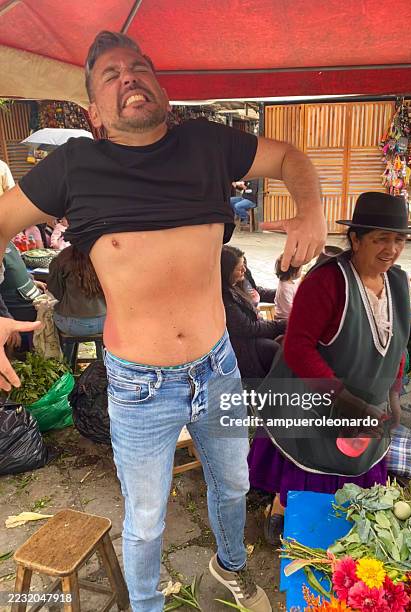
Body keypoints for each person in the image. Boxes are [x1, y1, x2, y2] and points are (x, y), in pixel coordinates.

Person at [0, 30, 325, 612]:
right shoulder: (74, 166)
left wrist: (311, 209)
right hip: (139, 386)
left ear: (161, 88)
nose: (129, 76)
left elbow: (291, 158)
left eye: (139, 65)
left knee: (232, 486)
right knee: (146, 521)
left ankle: (229, 570)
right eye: (110, 74)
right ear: (94, 111)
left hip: (218, 367)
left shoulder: (205, 145)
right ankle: (146, 605)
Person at [248, 192, 411, 545]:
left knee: (357, 461)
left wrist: (393, 394)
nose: (391, 249)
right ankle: (284, 507)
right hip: (317, 398)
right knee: (309, 461)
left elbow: (398, 343)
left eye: (399, 239)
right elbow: (297, 347)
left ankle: (344, 517)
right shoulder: (327, 283)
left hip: (369, 401)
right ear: (355, 239)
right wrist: (345, 402)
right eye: (380, 239)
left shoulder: (398, 284)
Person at [221, 246, 286, 379]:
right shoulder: (225, 297)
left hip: (258, 324)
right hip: (244, 342)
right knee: (274, 350)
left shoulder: (243, 279)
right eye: (239, 268)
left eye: (244, 264)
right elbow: (249, 328)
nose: (244, 269)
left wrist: (284, 293)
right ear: (226, 272)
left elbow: (257, 292)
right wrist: (281, 325)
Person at [47, 245, 106, 363]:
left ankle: (66, 364)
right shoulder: (106, 254)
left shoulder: (63, 258)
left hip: (72, 325)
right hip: (105, 322)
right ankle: (101, 365)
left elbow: (56, 293)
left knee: (48, 312)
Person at [273, 256, 301, 320]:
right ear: (294, 271)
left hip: (288, 316)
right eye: (301, 268)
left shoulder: (287, 282)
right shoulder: (286, 288)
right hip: (285, 320)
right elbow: (289, 310)